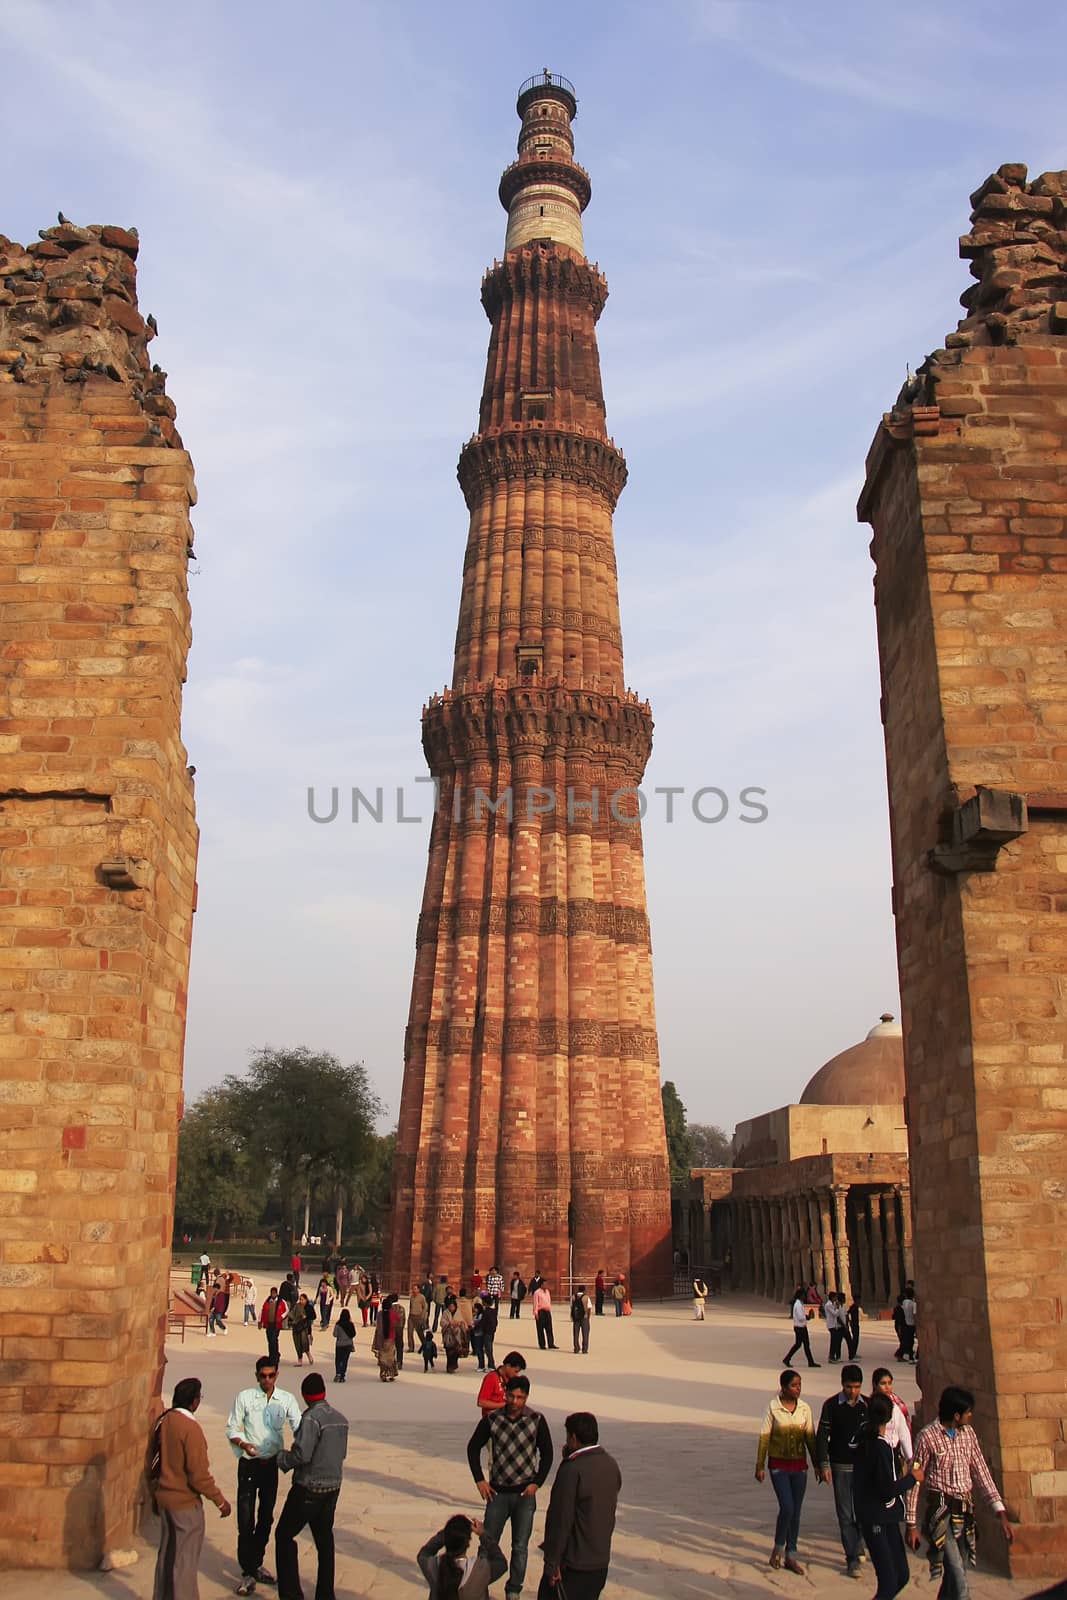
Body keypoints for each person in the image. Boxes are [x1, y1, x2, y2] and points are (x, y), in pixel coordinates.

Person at [905, 1385, 1012, 1597]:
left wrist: (1000, 1512)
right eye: (968, 1412)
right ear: (956, 1415)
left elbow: (981, 1473)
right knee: (959, 1578)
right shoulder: (927, 1437)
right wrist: (911, 1524)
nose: (971, 1415)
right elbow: (914, 1481)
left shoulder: (968, 1434)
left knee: (956, 1572)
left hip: (964, 1514)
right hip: (940, 1515)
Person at [467, 1375, 554, 1600]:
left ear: (526, 1398)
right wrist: (480, 1480)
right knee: (487, 1542)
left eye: (520, 1398)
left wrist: (537, 1482)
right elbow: (473, 1447)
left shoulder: (536, 1419)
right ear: (505, 1394)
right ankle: (478, 1584)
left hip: (525, 1493)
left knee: (520, 1547)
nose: (515, 1402)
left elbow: (548, 1453)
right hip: (497, 1492)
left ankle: (514, 1589)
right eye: (512, 1396)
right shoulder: (493, 1420)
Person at [150, 1377, 232, 1600]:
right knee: (184, 1561)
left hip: (164, 1498)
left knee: (167, 1555)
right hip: (184, 1503)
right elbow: (198, 1475)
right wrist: (219, 1500)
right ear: (194, 1402)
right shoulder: (190, 1429)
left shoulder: (164, 1421)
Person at [227, 1356, 302, 1596]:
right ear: (257, 1376)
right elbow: (233, 1427)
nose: (267, 1380)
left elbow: (300, 1427)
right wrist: (243, 1443)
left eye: (271, 1375)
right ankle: (248, 1571)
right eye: (263, 1376)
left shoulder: (286, 1399)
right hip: (249, 1464)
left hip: (271, 1465)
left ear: (276, 1375)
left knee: (266, 1516)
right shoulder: (245, 1398)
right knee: (245, 1518)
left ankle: (255, 1562)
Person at [275, 1373, 349, 1600]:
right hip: (333, 1486)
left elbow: (302, 1454)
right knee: (325, 1541)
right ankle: (325, 1594)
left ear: (305, 1397)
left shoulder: (310, 1419)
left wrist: (281, 1459)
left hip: (309, 1487)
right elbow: (341, 1454)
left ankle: (291, 1593)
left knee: (284, 1535)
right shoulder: (340, 1419)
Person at [539, 1411, 621, 1600]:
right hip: (599, 1561)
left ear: (573, 1437)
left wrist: (552, 1563)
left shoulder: (572, 1469)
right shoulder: (610, 1464)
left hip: (573, 1564)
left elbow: (561, 1520)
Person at [854, 1392, 923, 1600]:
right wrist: (912, 1478)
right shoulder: (875, 1445)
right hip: (875, 1518)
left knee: (901, 1575)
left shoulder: (871, 1441)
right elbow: (886, 1490)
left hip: (889, 1517)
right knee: (888, 1582)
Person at [755, 1368, 818, 1574]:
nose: (797, 1389)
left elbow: (810, 1437)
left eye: (799, 1385)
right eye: (793, 1385)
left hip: (799, 1465)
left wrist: (818, 1464)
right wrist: (760, 1465)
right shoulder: (773, 1408)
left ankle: (791, 1554)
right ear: (783, 1387)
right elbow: (764, 1437)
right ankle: (779, 1546)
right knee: (787, 1507)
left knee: (797, 1511)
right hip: (779, 1465)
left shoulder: (805, 1409)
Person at [816, 1362, 868, 1578]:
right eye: (848, 1387)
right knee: (845, 1514)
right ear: (842, 1385)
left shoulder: (868, 1406)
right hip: (841, 1467)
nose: (852, 1392)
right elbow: (822, 1436)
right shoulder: (831, 1406)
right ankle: (852, 1558)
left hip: (864, 1469)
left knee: (864, 1513)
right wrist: (824, 1464)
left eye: (856, 1387)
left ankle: (860, 1544)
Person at [417, 1513, 507, 1599]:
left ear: (446, 1540)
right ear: (467, 1543)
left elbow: (424, 1553)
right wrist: (483, 1534)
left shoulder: (434, 1567)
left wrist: (447, 1533)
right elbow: (501, 1563)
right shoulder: (479, 1570)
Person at [872, 1368, 913, 1465]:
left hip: (894, 1453)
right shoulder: (870, 1406)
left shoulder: (897, 1407)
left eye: (889, 1383)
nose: (887, 1387)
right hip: (876, 1453)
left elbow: (904, 1434)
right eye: (883, 1383)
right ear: (875, 1384)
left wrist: (909, 1459)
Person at [477, 1351, 527, 1418]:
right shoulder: (491, 1378)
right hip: (492, 1418)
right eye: (515, 1371)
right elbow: (481, 1402)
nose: (516, 1375)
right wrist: (504, 1405)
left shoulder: (512, 1379)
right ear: (508, 1366)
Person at [782, 1287, 820, 1369]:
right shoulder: (798, 1304)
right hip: (800, 1328)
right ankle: (810, 1362)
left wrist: (807, 1317)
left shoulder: (799, 1303)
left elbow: (801, 1316)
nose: (805, 1296)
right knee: (804, 1345)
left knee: (799, 1345)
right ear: (800, 1295)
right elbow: (800, 1317)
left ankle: (788, 1359)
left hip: (800, 1327)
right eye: (803, 1295)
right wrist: (807, 1317)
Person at [373, 1294, 400, 1382]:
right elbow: (398, 1323)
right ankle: (391, 1373)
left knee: (382, 1357)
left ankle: (383, 1373)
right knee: (390, 1357)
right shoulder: (393, 1314)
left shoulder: (379, 1314)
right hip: (390, 1338)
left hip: (380, 1338)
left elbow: (378, 1326)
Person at [260, 1289, 287, 1370]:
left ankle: (275, 1357)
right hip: (268, 1324)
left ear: (277, 1293)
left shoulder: (281, 1301)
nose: (273, 1295)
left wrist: (281, 1317)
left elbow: (286, 1310)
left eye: (274, 1293)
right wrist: (260, 1321)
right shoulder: (268, 1301)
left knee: (273, 1339)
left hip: (277, 1324)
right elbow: (263, 1311)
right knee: (269, 1340)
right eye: (272, 1293)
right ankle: (272, 1355)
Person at [441, 1294, 467, 1374]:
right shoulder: (445, 1313)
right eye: (450, 1306)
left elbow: (462, 1322)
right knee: (449, 1352)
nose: (451, 1308)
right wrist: (449, 1323)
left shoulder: (458, 1313)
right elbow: (442, 1322)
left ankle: (454, 1365)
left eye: (453, 1306)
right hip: (448, 1335)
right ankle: (449, 1367)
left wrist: (458, 1323)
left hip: (457, 1336)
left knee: (455, 1352)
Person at [288, 1294, 314, 1367]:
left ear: (306, 1299)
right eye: (300, 1299)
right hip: (296, 1327)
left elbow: (313, 1316)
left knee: (304, 1343)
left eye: (303, 1299)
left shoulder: (308, 1307)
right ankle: (300, 1360)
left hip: (304, 1328)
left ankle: (309, 1356)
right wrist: (292, 1320)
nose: (301, 1301)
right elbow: (291, 1314)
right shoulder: (297, 1306)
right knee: (297, 1344)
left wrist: (306, 1317)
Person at [332, 1309, 356, 1382]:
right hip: (348, 1344)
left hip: (339, 1344)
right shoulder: (351, 1324)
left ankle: (338, 1373)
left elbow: (335, 1334)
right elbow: (354, 1334)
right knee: (345, 1360)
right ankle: (342, 1375)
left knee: (338, 1360)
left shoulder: (338, 1324)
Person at [532, 1281, 556, 1351]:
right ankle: (542, 1344)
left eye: (547, 1284)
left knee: (549, 1328)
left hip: (547, 1311)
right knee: (540, 1329)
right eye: (545, 1284)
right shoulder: (537, 1293)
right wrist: (535, 1313)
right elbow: (535, 1303)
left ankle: (551, 1343)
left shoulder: (547, 1292)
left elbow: (548, 1301)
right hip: (540, 1312)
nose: (546, 1285)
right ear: (541, 1285)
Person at [571, 1285, 592, 1355]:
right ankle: (584, 1349)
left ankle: (576, 1348)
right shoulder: (586, 1297)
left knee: (576, 1334)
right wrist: (588, 1317)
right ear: (584, 1290)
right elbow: (589, 1308)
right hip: (584, 1317)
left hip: (576, 1317)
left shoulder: (573, 1297)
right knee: (585, 1334)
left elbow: (572, 1307)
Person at [409, 1282, 429, 1353]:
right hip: (411, 1317)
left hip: (419, 1317)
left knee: (420, 1333)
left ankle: (425, 1346)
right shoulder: (411, 1297)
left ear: (418, 1290)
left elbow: (425, 1307)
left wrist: (422, 1316)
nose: (414, 1290)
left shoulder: (422, 1297)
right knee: (410, 1333)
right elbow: (410, 1306)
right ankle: (411, 1348)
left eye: (415, 1289)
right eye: (413, 1289)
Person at [899, 1290, 917, 1363]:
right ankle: (911, 1357)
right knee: (911, 1341)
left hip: (905, 1324)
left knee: (906, 1340)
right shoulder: (913, 1304)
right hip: (912, 1324)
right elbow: (915, 1314)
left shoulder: (904, 1302)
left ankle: (907, 1355)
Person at [482, 1298, 499, 1372]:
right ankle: (490, 1364)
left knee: (488, 1349)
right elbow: (496, 1322)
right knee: (489, 1348)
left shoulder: (486, 1312)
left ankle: (491, 1365)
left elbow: (483, 1322)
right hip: (492, 1332)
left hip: (487, 1332)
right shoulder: (494, 1311)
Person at [471, 1300, 487, 1371]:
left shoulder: (481, 1316)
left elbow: (479, 1324)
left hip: (479, 1334)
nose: (474, 1309)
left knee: (479, 1350)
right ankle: (480, 1365)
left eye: (475, 1308)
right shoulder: (476, 1315)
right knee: (478, 1350)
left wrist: (474, 1326)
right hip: (476, 1333)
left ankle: (481, 1366)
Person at [845, 1296, 862, 1360]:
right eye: (858, 1300)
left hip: (856, 1324)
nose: (859, 1301)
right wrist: (849, 1321)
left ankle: (854, 1352)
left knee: (856, 1339)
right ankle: (853, 1353)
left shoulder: (856, 1307)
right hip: (854, 1325)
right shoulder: (853, 1307)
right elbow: (847, 1313)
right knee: (855, 1339)